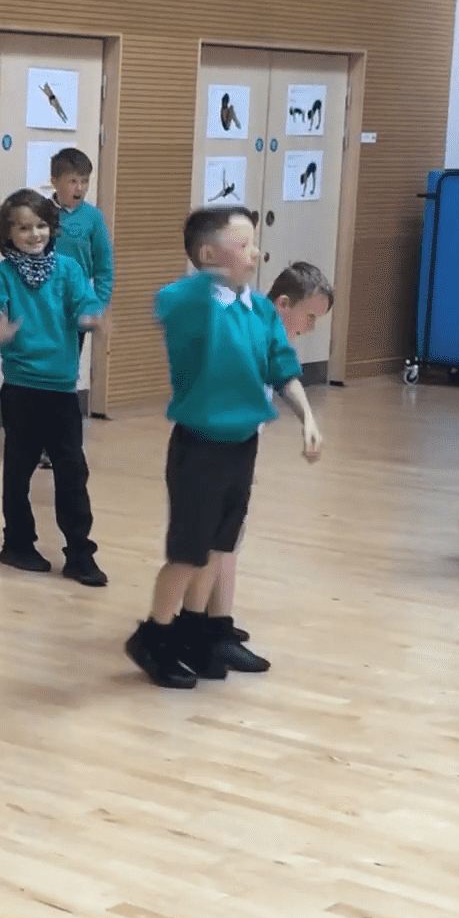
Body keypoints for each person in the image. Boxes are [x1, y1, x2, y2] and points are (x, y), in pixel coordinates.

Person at [127, 207, 322, 689]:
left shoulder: (258, 310)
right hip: (199, 446)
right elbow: (169, 298)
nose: (255, 252)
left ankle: (195, 631)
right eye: (244, 243)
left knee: (219, 545)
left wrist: (307, 417)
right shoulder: (192, 303)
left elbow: (281, 368)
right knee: (188, 553)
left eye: (254, 242)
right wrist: (207, 269)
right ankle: (154, 635)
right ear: (211, 255)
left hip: (241, 446)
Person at [200, 261, 336, 646]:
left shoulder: (270, 336)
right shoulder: (249, 331)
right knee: (217, 539)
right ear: (282, 304)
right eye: (309, 318)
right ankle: (204, 623)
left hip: (237, 448)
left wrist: (307, 417)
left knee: (229, 537)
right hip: (213, 448)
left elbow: (285, 380)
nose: (309, 329)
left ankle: (215, 619)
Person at [0, 188, 108, 586]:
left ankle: (79, 552)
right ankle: (17, 543)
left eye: (40, 226)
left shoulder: (67, 269)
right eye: (23, 228)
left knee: (72, 470)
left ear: (52, 228)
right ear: (8, 233)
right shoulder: (2, 274)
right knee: (18, 470)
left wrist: (91, 317)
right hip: (21, 389)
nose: (33, 234)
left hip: (61, 390)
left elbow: (84, 305)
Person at [38, 147, 114, 469]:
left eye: (84, 181)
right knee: (40, 375)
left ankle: (63, 445)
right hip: (41, 307)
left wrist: (98, 305)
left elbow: (104, 267)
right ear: (55, 181)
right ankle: (39, 444)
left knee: (65, 376)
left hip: (76, 310)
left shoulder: (93, 219)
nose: (79, 188)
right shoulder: (40, 213)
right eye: (73, 181)